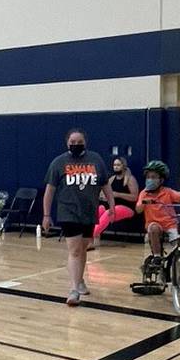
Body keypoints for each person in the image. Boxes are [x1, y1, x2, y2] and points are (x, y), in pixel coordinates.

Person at [42, 129, 115, 306]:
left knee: (83, 248)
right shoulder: (59, 163)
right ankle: (74, 289)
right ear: (67, 143)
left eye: (79, 141)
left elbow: (105, 185)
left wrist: (112, 206)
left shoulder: (96, 159)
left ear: (85, 141)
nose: (75, 144)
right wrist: (46, 215)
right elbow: (49, 191)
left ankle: (80, 280)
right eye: (72, 142)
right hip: (68, 212)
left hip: (89, 211)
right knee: (74, 250)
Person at [135, 160, 180, 262]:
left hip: (169, 224)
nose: (150, 180)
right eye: (148, 177)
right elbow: (138, 210)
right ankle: (157, 256)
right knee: (153, 229)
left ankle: (179, 264)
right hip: (154, 223)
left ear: (161, 180)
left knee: (177, 244)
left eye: (153, 177)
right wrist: (144, 202)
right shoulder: (144, 193)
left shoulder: (167, 192)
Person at [89, 156, 139, 249]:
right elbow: (104, 192)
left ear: (123, 166)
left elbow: (135, 197)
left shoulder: (130, 179)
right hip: (112, 205)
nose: (116, 167)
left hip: (127, 207)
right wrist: (103, 195)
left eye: (118, 165)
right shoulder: (112, 179)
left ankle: (90, 236)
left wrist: (118, 194)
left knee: (109, 212)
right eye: (114, 165)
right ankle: (92, 236)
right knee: (99, 209)